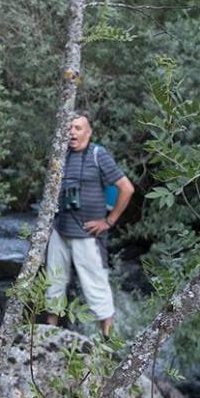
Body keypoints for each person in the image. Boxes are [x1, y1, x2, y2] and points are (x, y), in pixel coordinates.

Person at [45, 111, 135, 338]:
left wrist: (109, 221)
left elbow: (127, 188)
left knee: (96, 287)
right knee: (53, 283)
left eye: (78, 128)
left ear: (88, 132)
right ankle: (48, 335)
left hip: (87, 234)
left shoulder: (98, 154)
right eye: (70, 128)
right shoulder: (60, 155)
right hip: (60, 229)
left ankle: (107, 342)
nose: (73, 132)